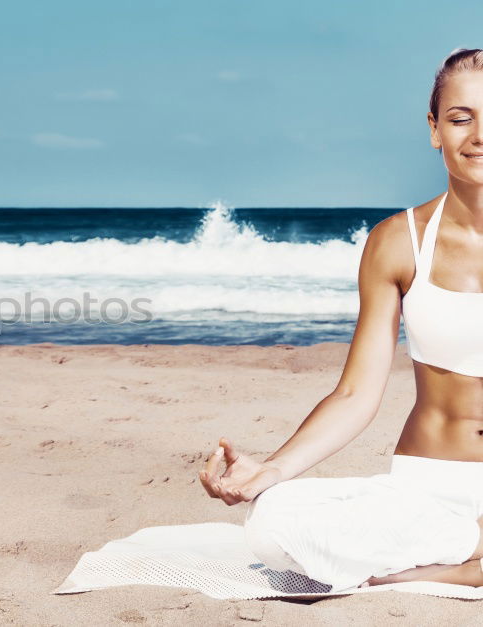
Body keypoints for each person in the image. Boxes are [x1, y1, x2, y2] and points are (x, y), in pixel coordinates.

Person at [199, 47, 483, 592]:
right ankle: (473, 553)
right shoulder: (397, 242)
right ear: (434, 129)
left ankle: (461, 564)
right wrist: (271, 471)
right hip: (429, 490)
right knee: (272, 521)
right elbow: (356, 394)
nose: (477, 136)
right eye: (460, 118)